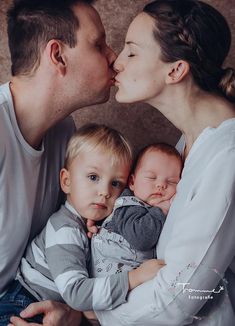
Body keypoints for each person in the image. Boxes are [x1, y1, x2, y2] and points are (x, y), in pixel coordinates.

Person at [92, 0, 235, 325]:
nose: (117, 61)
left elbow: (180, 297)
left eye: (131, 51)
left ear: (175, 70)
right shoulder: (189, 142)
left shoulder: (226, 157)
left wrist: (92, 310)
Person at [0, 0, 118, 325]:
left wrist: (71, 312)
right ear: (57, 55)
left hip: (25, 296)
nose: (113, 57)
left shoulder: (64, 131)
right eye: (98, 44)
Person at [0, 124, 164, 325]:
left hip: (55, 307)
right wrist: (133, 279)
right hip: (24, 304)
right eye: (93, 177)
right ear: (66, 181)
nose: (105, 191)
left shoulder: (95, 225)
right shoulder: (64, 229)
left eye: (115, 183)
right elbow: (76, 293)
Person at [91, 143, 182, 278]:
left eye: (172, 182)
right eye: (152, 177)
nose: (161, 185)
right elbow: (141, 238)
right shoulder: (128, 204)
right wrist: (162, 210)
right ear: (132, 182)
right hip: (107, 279)